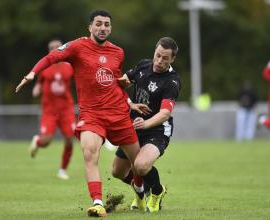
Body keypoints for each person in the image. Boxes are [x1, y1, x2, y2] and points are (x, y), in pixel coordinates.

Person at [16, 10, 148, 218]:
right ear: (90, 27)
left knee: (138, 164)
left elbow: (116, 84)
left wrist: (130, 103)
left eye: (106, 24)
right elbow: (52, 57)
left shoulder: (118, 52)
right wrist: (32, 73)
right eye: (98, 24)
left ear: (110, 28)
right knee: (89, 152)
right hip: (92, 114)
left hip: (118, 114)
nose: (102, 28)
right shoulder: (77, 46)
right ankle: (97, 202)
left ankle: (140, 192)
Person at [112, 37, 181, 213]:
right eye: (158, 55)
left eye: (165, 58)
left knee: (141, 166)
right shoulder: (143, 65)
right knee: (118, 172)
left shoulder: (172, 81)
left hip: (157, 130)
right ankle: (142, 191)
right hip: (134, 126)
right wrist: (122, 85)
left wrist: (146, 123)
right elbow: (123, 81)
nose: (159, 61)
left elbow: (165, 113)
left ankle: (157, 192)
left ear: (172, 59)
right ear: (155, 51)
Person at [29, 39, 76, 180]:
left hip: (66, 109)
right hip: (49, 110)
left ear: (62, 48)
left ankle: (62, 170)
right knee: (46, 141)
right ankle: (37, 141)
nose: (55, 49)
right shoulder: (44, 67)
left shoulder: (70, 66)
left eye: (57, 47)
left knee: (69, 139)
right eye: (52, 48)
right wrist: (36, 90)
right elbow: (39, 83)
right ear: (49, 51)